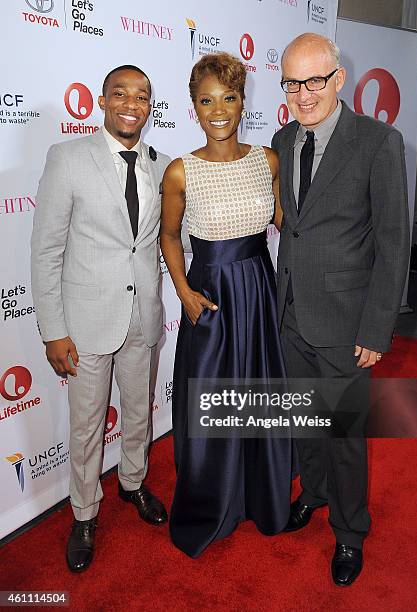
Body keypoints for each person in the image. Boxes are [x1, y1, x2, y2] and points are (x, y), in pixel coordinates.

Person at [272, 33, 410, 586]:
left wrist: (377, 327)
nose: (303, 94)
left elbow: (394, 242)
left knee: (344, 435)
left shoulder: (378, 142)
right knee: (306, 424)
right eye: (292, 83)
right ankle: (316, 493)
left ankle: (350, 532)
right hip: (291, 315)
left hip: (347, 322)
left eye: (314, 81)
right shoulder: (282, 140)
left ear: (338, 79)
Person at [31, 65, 170, 573]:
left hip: (143, 317)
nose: (132, 104)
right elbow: (46, 250)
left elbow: (164, 240)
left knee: (139, 413)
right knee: (88, 426)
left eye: (142, 96)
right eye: (121, 94)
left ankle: (133, 483)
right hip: (86, 322)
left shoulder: (161, 164)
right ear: (102, 101)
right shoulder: (67, 158)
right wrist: (53, 329)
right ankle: (84, 514)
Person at [160, 52, 292, 558]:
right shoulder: (180, 171)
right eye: (206, 100)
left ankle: (262, 496)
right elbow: (169, 238)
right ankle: (214, 502)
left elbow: (285, 222)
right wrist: (184, 291)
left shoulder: (267, 160)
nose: (218, 110)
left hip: (258, 291)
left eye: (228, 98)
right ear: (194, 106)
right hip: (211, 298)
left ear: (243, 101)